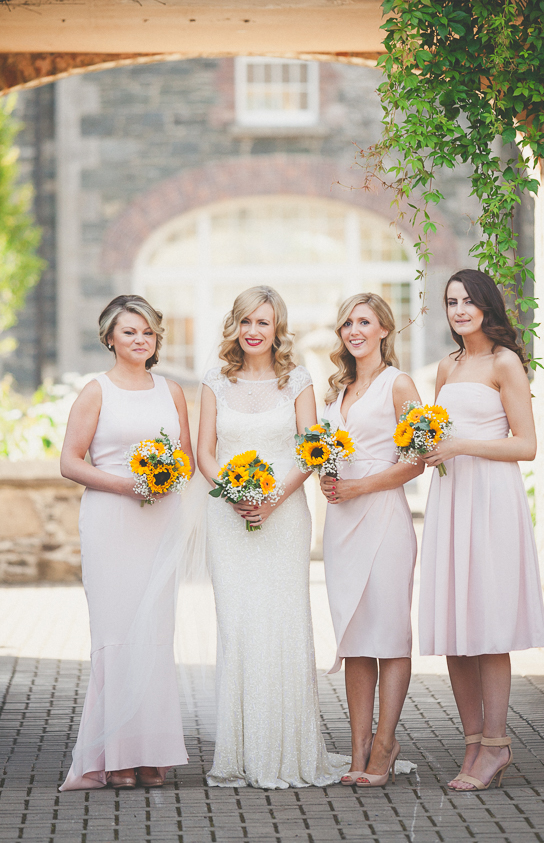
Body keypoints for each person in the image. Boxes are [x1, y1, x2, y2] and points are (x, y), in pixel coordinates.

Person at [196, 285, 349, 788]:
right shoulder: (215, 381)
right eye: (246, 322)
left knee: (283, 625)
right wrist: (232, 491)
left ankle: (288, 750)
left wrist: (272, 499)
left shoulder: (298, 380)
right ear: (234, 327)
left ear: (277, 327)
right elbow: (204, 452)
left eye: (263, 322)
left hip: (284, 516)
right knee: (238, 627)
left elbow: (310, 449)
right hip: (229, 514)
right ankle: (240, 752)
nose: (254, 331)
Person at [419, 269, 544, 792]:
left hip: (491, 499)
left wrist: (460, 445)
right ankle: (473, 742)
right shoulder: (447, 366)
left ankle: (496, 745)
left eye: (469, 301)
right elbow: (434, 433)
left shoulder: (504, 363)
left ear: (487, 307)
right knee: (455, 625)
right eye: (452, 302)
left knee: (489, 626)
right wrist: (425, 449)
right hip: (451, 498)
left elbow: (527, 445)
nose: (460, 310)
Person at [59, 295, 194, 791]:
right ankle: (114, 752)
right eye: (130, 331)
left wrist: (166, 476)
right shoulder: (96, 391)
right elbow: (71, 461)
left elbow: (187, 460)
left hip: (160, 521)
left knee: (155, 634)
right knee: (115, 634)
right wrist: (127, 484)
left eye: (148, 333)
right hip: (111, 520)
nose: (140, 340)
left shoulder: (172, 391)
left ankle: (153, 750)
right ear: (110, 337)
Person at [321, 293, 423, 789]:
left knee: (388, 633)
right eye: (347, 324)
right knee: (355, 636)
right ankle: (358, 747)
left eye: (364, 322)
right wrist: (329, 476)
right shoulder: (336, 390)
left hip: (383, 517)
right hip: (341, 522)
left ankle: (385, 744)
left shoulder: (398, 385)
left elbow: (417, 459)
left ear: (384, 328)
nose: (354, 331)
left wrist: (361, 484)